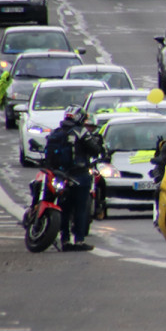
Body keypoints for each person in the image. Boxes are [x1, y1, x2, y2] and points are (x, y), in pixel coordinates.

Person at [44, 105, 103, 251]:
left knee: (64, 207)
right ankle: (79, 241)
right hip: (80, 175)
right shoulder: (81, 132)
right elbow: (95, 150)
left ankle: (65, 240)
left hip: (61, 174)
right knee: (81, 209)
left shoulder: (57, 131)